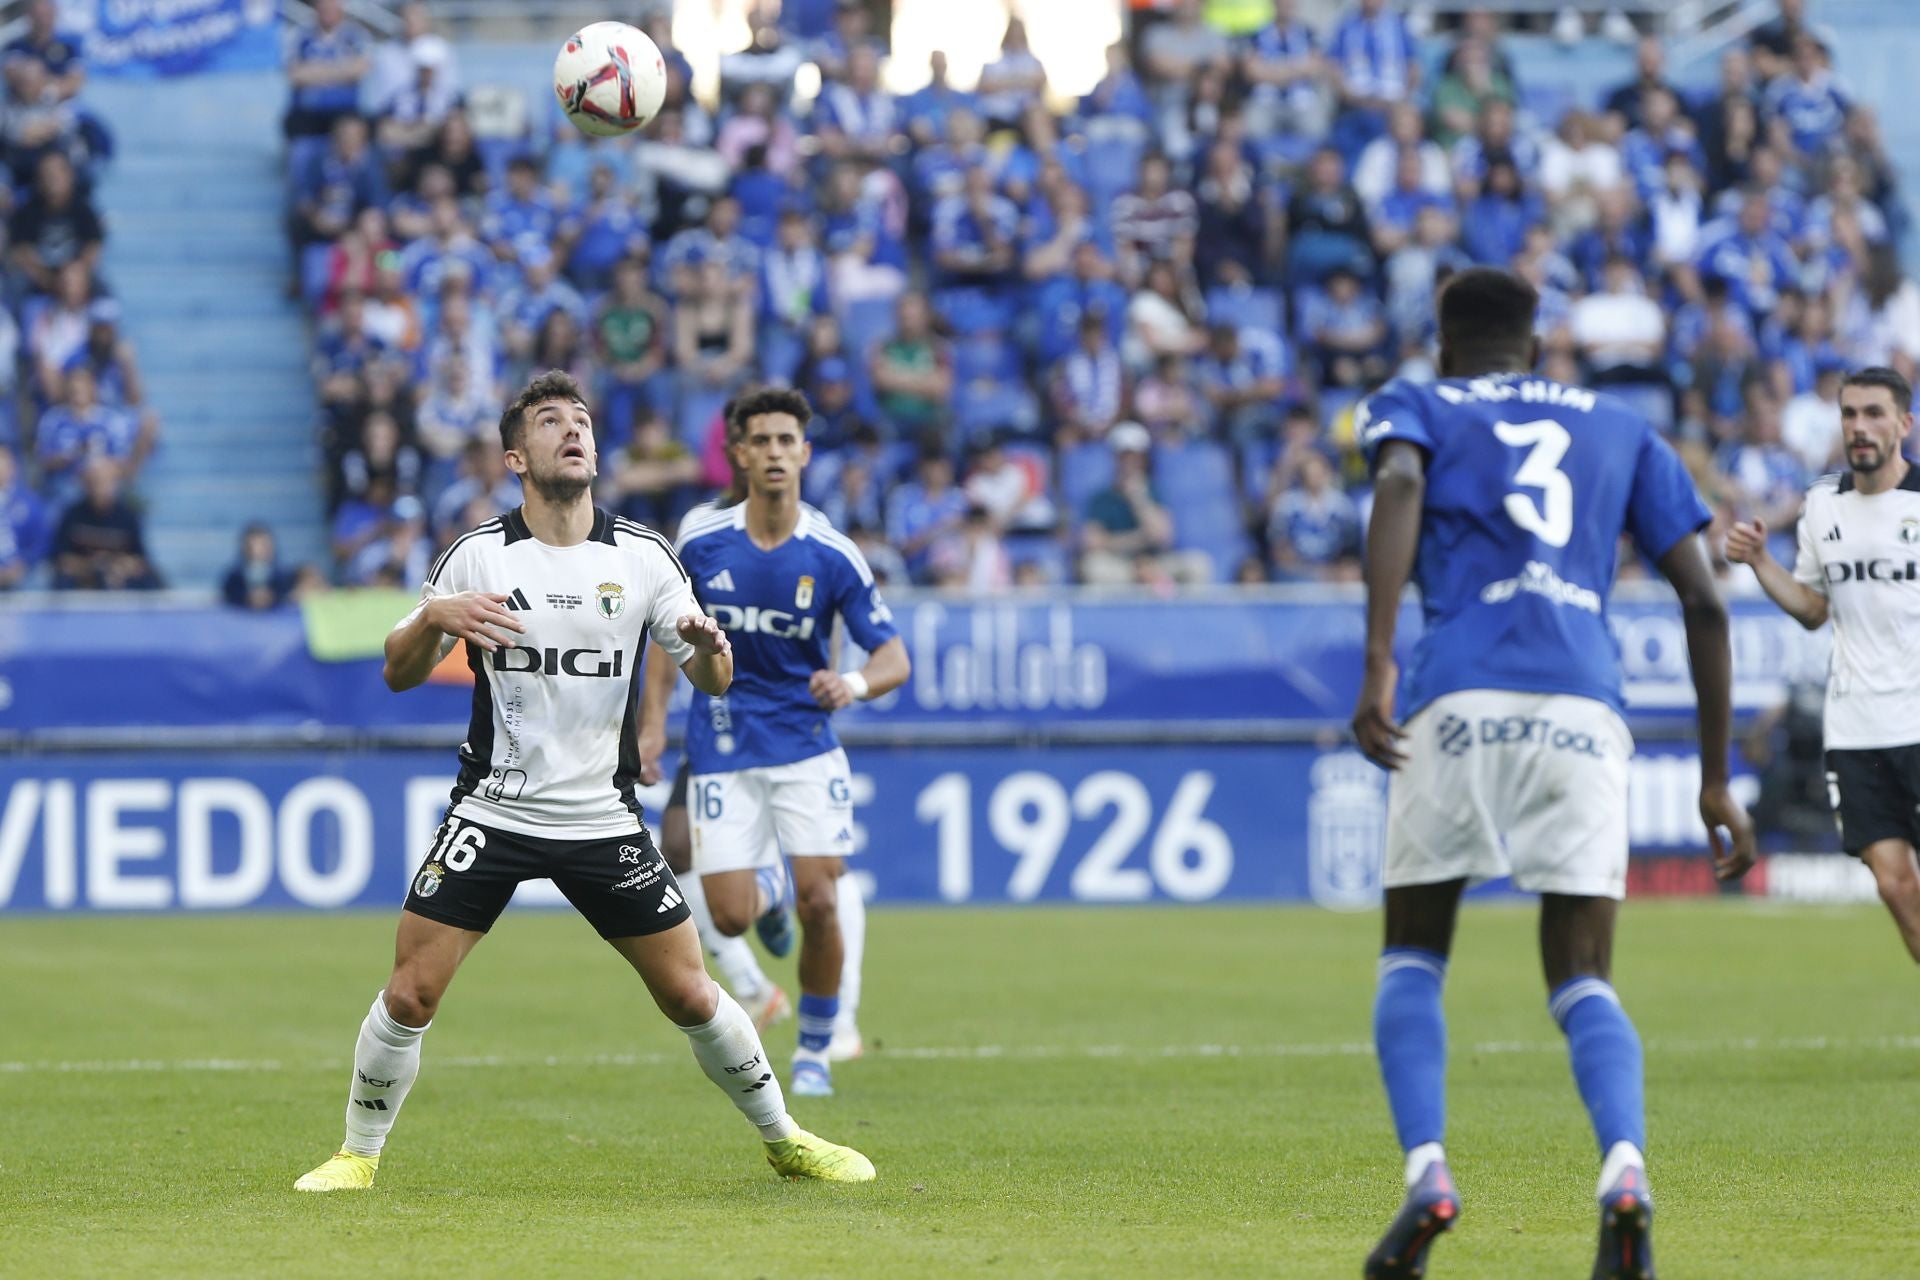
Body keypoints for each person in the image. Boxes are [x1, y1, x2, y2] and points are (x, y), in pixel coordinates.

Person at [293, 370, 874, 1193]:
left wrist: (710, 646)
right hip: (494, 808)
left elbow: (712, 676)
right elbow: (397, 672)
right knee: (413, 991)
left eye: (582, 422)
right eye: (550, 422)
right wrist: (432, 619)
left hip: (602, 816)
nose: (573, 432)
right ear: (516, 457)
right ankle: (357, 1155)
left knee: (690, 994)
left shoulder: (641, 556)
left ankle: (786, 1138)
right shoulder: (476, 554)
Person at [1350, 268, 1754, 1279]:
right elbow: (1705, 602)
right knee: (1582, 973)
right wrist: (1713, 777)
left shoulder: (1423, 401)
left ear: (1445, 348)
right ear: (1537, 349)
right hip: (1586, 701)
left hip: (1457, 691)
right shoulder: (1622, 428)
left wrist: (1376, 662)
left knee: (1414, 953)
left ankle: (1429, 1172)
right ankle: (1624, 1168)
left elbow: (1397, 485)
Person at [664, 386, 911, 1098]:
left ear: (804, 452)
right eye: (761, 441)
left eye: (786, 441)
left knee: (823, 901)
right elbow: (663, 640)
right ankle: (767, 893)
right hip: (721, 739)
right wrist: (651, 725)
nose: (775, 452)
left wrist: (855, 685)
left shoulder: (832, 553)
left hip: (805, 742)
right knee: (733, 915)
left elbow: (893, 656)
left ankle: (815, 1049)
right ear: (738, 453)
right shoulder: (701, 542)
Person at [1726, 367, 1920, 967]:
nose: (1859, 427)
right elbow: (1813, 609)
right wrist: (1761, 563)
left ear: (1903, 425)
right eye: (1850, 414)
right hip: (1857, 726)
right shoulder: (1820, 505)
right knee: (1895, 885)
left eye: (1874, 414)